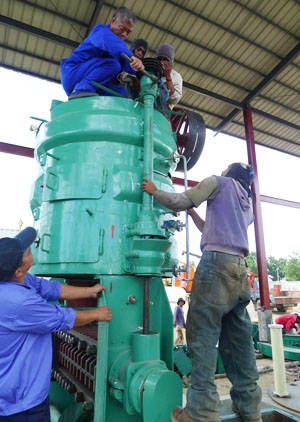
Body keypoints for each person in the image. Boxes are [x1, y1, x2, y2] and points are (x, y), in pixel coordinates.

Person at [142, 163, 263, 422]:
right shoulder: (246, 203)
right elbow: (214, 227)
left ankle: (202, 411)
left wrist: (154, 191)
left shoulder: (217, 182)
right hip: (240, 271)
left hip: (215, 268)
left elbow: (179, 200)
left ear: (229, 172)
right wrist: (193, 212)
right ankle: (250, 407)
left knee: (203, 337)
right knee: (240, 342)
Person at [0, 227, 112, 421]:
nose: (28, 248)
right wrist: (98, 313)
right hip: (20, 406)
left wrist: (88, 291)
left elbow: (49, 287)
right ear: (18, 269)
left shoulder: (15, 279)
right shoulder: (18, 302)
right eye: (24, 250)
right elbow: (62, 318)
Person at [60, 7, 144, 99]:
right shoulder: (100, 31)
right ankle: (81, 90)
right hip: (72, 73)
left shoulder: (119, 47)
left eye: (128, 32)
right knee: (113, 65)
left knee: (123, 93)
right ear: (113, 21)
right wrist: (131, 57)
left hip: (92, 81)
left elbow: (128, 66)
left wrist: (138, 76)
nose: (124, 34)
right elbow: (108, 41)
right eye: (122, 28)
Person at [156, 43, 183, 111]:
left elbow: (175, 98)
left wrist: (167, 75)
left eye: (165, 59)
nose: (161, 62)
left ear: (171, 63)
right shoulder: (151, 71)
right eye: (159, 59)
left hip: (163, 111)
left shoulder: (176, 76)